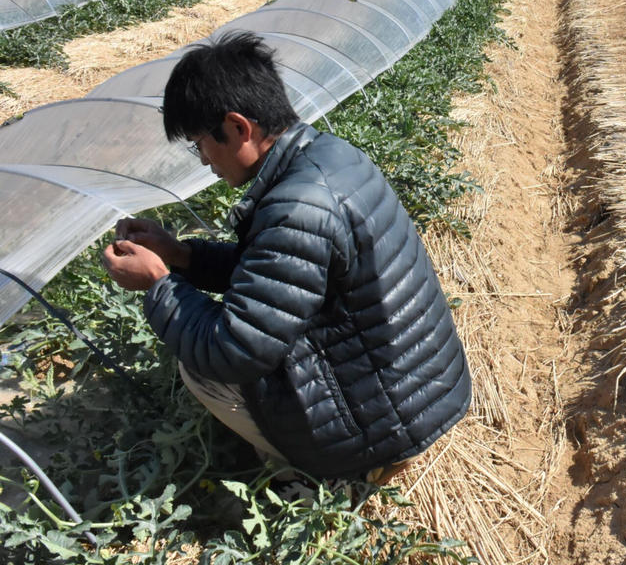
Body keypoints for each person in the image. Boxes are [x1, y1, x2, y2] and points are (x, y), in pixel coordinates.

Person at [102, 31, 471, 484]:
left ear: (239, 128)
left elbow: (233, 351)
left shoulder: (297, 208)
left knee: (199, 369)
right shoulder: (324, 156)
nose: (202, 160)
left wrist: (159, 285)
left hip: (389, 423)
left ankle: (318, 476)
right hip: (417, 390)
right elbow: (270, 272)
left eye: (200, 142)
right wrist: (180, 256)